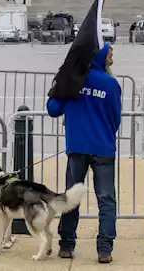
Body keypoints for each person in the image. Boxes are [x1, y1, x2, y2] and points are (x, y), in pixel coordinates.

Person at [46, 43, 121, 264]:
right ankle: (105, 249)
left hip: (77, 147)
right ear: (99, 57)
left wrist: (59, 86)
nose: (111, 61)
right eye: (110, 56)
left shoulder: (72, 80)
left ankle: (67, 245)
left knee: (72, 197)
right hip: (104, 149)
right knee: (106, 199)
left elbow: (53, 109)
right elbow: (115, 119)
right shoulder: (111, 84)